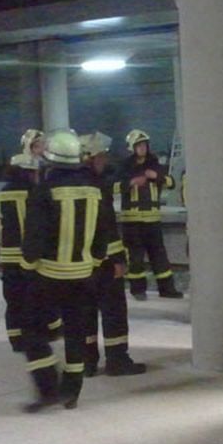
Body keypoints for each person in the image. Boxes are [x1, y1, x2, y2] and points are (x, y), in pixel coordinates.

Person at [20, 129, 108, 412]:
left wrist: (26, 267)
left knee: (32, 331)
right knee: (76, 333)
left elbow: (34, 237)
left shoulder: (44, 191)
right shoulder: (96, 190)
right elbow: (102, 236)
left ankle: (48, 388)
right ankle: (72, 391)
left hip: (49, 274)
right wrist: (93, 263)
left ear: (50, 161)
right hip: (84, 275)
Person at [79, 132, 147, 377]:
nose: (104, 159)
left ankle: (86, 362)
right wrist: (118, 260)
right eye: (101, 155)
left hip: (78, 264)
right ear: (90, 158)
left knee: (84, 311)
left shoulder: (69, 184)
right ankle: (117, 360)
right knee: (113, 310)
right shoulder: (98, 186)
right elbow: (105, 224)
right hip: (104, 261)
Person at [0, 152, 61, 352]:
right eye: (34, 172)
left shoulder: (3, 193)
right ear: (26, 172)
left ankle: (16, 339)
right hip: (28, 254)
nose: (36, 176)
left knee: (13, 298)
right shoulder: (34, 193)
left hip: (7, 254)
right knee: (37, 296)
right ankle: (46, 331)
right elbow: (38, 226)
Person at [116, 129, 182, 301]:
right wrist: (131, 183)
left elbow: (171, 183)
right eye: (139, 145)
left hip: (153, 220)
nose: (142, 148)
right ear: (132, 147)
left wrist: (157, 177)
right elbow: (112, 187)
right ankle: (138, 290)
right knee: (135, 257)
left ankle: (167, 289)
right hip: (132, 221)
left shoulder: (155, 165)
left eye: (144, 145)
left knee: (159, 255)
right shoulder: (124, 167)